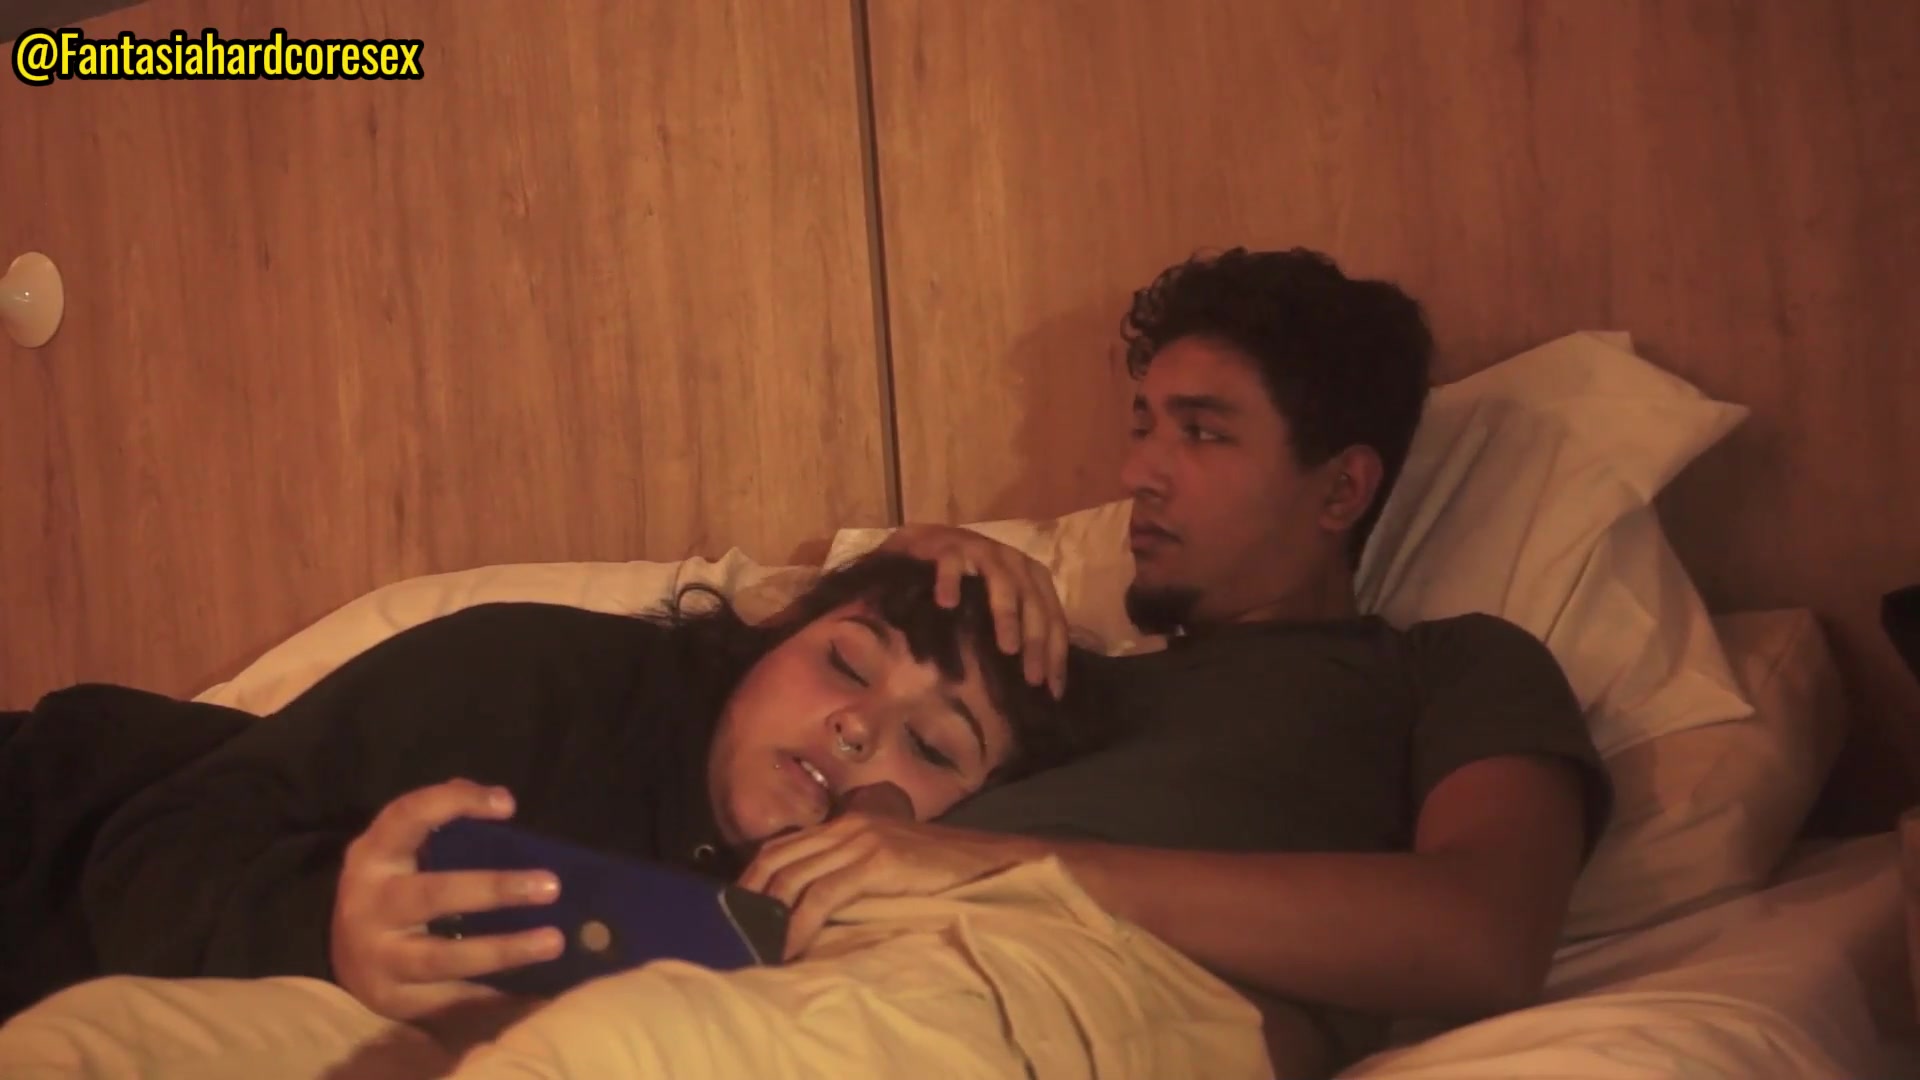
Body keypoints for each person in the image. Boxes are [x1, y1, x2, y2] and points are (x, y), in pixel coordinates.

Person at [733, 247, 1614, 1075]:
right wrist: (902, 561)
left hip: (1076, 1003)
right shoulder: (1062, 681)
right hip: (827, 967)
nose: (1138, 473)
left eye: (1201, 433)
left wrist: (999, 869)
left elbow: (1486, 935)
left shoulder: (1443, 668)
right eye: (1144, 426)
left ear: (1342, 489)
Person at [0, 550, 1104, 1025]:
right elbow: (161, 842)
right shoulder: (538, 680)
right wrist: (323, 932)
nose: (860, 725)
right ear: (769, 644)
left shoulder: (876, 934)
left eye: (934, 748)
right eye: (847, 664)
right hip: (45, 829)